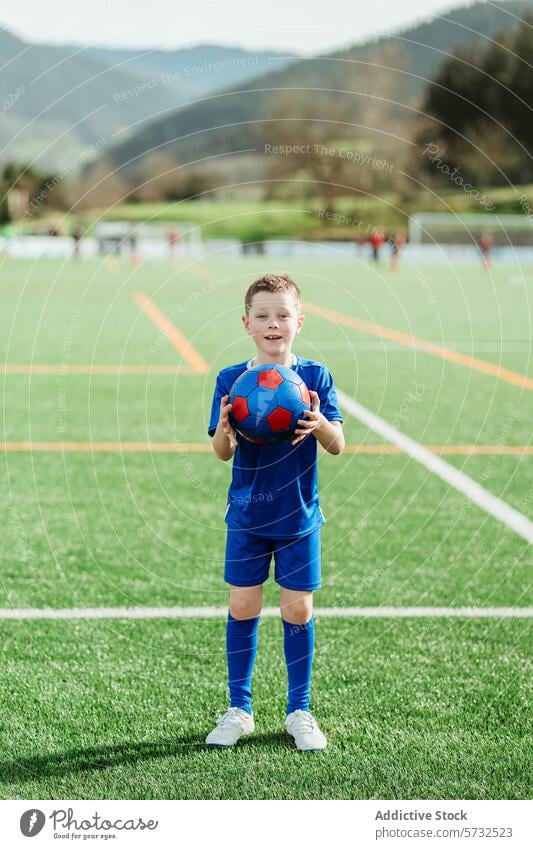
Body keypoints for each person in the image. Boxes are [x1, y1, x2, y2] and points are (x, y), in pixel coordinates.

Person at [206, 272, 345, 751]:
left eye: (282, 315)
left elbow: (339, 444)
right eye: (262, 315)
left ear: (299, 322)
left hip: (299, 515)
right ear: (247, 323)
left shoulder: (315, 378)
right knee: (243, 604)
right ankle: (239, 709)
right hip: (246, 515)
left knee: (297, 607)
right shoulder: (230, 380)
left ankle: (300, 710)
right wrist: (226, 427)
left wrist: (319, 422)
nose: (273, 323)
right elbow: (223, 452)